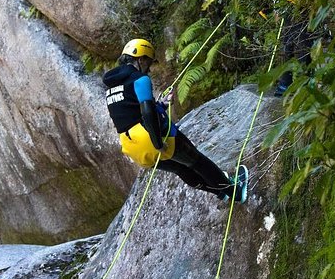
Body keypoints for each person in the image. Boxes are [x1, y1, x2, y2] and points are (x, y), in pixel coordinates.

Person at [103, 38, 248, 203]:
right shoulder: (140, 79)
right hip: (151, 135)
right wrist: (157, 142)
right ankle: (233, 191)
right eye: (148, 62)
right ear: (140, 59)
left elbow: (130, 114)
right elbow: (146, 110)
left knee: (180, 168)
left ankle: (219, 192)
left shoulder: (111, 89)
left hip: (132, 146)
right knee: (197, 162)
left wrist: (162, 105)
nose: (148, 69)